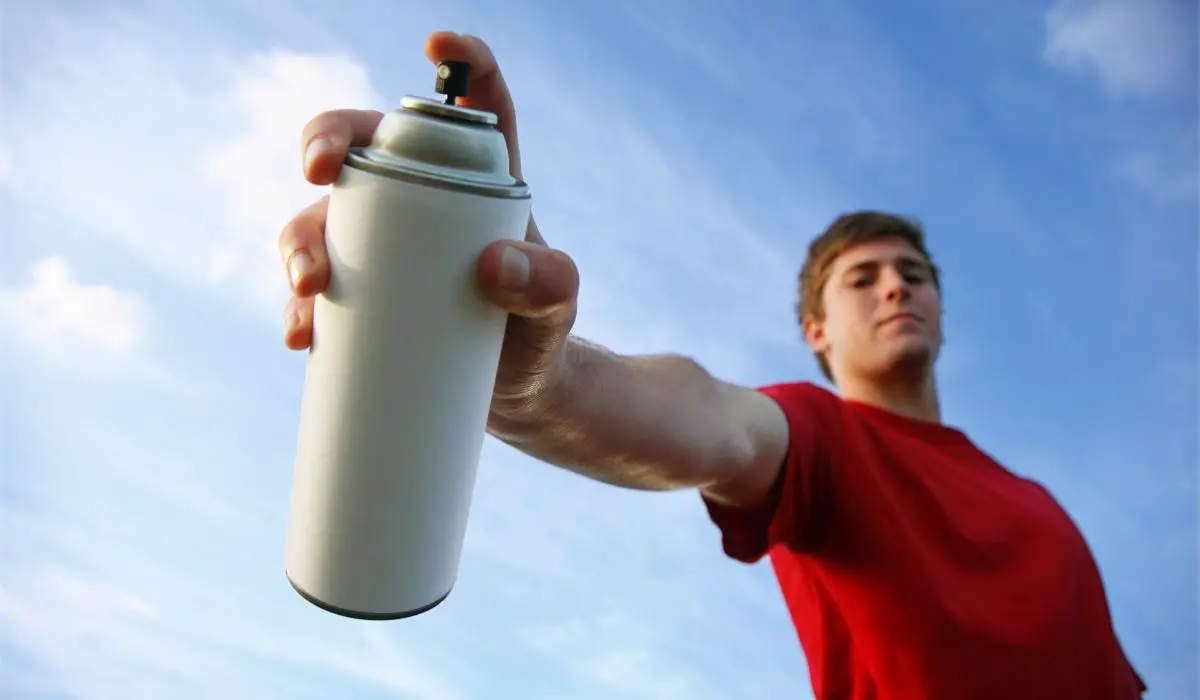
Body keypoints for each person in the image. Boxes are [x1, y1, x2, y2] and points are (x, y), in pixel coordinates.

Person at [278, 31, 1146, 700]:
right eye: (864, 278)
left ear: (943, 309)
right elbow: (705, 419)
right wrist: (529, 378)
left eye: (914, 275)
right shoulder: (826, 441)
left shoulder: (1041, 508)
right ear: (816, 329)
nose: (896, 290)